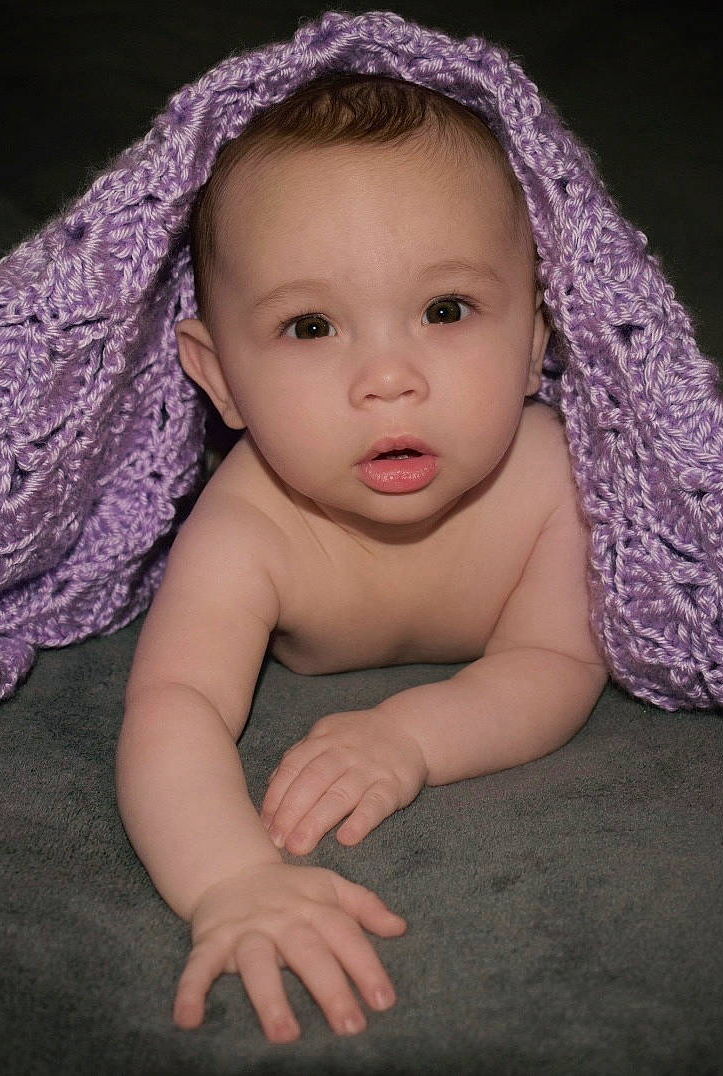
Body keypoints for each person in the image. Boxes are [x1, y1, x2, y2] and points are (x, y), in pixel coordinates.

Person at [115, 72, 608, 1044]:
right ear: (220, 376)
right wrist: (230, 877)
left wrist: (410, 737)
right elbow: (175, 703)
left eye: (446, 309)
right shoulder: (247, 525)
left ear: (533, 340)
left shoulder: (557, 481)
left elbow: (555, 661)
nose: (388, 378)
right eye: (309, 326)